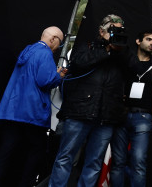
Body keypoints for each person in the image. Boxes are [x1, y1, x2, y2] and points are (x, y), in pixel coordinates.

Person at [50, 14, 129, 187]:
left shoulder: (122, 54)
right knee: (65, 157)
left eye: (119, 30)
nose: (116, 34)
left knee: (94, 162)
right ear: (101, 32)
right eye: (112, 30)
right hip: (79, 112)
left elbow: (132, 71)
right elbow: (78, 63)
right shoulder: (86, 46)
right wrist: (106, 50)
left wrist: (118, 50)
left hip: (106, 117)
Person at [0, 26, 66, 187]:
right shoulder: (45, 54)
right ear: (52, 40)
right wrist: (59, 75)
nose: (59, 48)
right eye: (60, 43)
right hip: (31, 113)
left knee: (6, 151)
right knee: (37, 151)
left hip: (12, 111)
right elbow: (45, 81)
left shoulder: (28, 50)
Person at [111, 30, 152, 187]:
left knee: (138, 162)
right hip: (121, 115)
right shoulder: (126, 61)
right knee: (118, 162)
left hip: (143, 117)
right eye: (148, 39)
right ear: (138, 41)